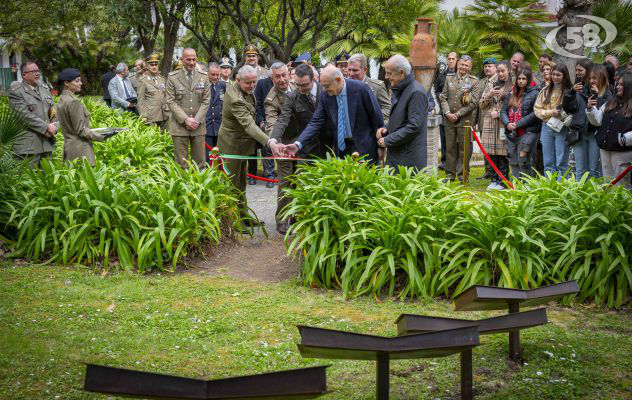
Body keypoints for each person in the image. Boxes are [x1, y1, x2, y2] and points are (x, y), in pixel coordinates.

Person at [276, 65, 384, 161]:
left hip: (364, 147)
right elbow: (315, 121)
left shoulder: (361, 89)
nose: (324, 89)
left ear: (338, 80)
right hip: (341, 150)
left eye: (327, 86)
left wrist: (380, 146)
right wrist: (297, 144)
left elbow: (376, 118)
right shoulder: (326, 95)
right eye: (322, 85)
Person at [268, 64, 327, 234]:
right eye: (298, 85)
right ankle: (289, 219)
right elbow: (282, 120)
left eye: (304, 85)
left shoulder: (326, 91)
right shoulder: (293, 96)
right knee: (301, 184)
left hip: (327, 146)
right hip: (305, 146)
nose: (300, 88)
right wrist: (273, 139)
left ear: (313, 79)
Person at [217, 65, 270, 222]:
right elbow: (248, 124)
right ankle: (231, 221)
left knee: (241, 184)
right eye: (249, 83)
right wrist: (268, 141)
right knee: (230, 184)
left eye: (254, 82)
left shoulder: (243, 90)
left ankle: (243, 216)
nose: (252, 86)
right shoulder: (235, 98)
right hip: (231, 145)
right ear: (238, 79)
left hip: (241, 144)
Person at [375, 54, 428, 171]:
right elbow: (400, 120)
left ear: (402, 73)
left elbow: (414, 127)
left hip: (408, 160)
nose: (386, 77)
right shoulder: (401, 89)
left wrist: (387, 140)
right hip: (398, 156)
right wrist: (386, 129)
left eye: (389, 73)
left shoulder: (416, 92)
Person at [165, 48, 211, 169]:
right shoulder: (173, 77)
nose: (191, 62)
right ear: (181, 60)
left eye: (194, 59)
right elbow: (170, 101)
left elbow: (206, 101)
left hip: (198, 125)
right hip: (179, 126)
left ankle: (199, 187)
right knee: (181, 164)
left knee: (200, 164)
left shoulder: (204, 77)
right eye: (188, 59)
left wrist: (196, 120)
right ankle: (183, 186)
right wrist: (186, 119)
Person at [586, 71, 632, 190]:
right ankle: (610, 208)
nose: (617, 86)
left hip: (623, 152)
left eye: (622, 84)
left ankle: (622, 208)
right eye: (617, 84)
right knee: (608, 182)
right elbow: (597, 121)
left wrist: (624, 139)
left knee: (621, 186)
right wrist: (590, 109)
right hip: (605, 150)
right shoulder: (611, 102)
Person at [8, 61, 57, 167]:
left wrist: (54, 127)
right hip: (28, 147)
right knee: (28, 180)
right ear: (24, 75)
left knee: (47, 179)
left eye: (38, 71)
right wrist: (46, 128)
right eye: (33, 71)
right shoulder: (16, 92)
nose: (37, 74)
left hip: (47, 143)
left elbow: (53, 111)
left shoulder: (45, 90)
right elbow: (24, 115)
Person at [439, 55, 480, 182]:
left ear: (470, 67)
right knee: (450, 148)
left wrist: (457, 114)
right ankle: (450, 175)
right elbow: (443, 97)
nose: (463, 67)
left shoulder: (474, 81)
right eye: (462, 64)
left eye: (466, 65)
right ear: (457, 64)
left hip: (464, 121)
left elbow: (474, 102)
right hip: (448, 119)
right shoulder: (449, 78)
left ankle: (463, 175)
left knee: (464, 149)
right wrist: (446, 112)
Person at [562, 58, 602, 180]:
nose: (577, 73)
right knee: (580, 170)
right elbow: (569, 108)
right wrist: (571, 93)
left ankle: (594, 198)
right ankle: (580, 198)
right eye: (576, 70)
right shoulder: (576, 89)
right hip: (579, 133)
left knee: (593, 170)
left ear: (589, 71)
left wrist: (596, 94)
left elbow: (602, 109)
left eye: (580, 70)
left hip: (594, 133)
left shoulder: (600, 88)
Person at [56, 68, 106, 165]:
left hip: (70, 149)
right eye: (77, 81)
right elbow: (81, 130)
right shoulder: (73, 102)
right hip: (81, 151)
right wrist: (102, 136)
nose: (81, 83)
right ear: (66, 83)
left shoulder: (63, 99)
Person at [501, 69, 541, 180]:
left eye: (524, 79)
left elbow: (535, 113)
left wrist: (518, 124)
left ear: (528, 80)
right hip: (512, 132)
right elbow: (503, 111)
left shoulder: (535, 93)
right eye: (519, 78)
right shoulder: (511, 93)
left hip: (528, 131)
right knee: (513, 161)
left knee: (524, 160)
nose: (521, 81)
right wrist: (507, 123)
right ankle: (517, 187)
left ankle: (528, 187)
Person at [479, 61, 513, 189]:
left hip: (503, 123)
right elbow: (481, 104)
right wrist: (490, 94)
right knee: (491, 153)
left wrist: (498, 113)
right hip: (490, 123)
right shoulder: (491, 84)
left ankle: (503, 181)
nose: (500, 74)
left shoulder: (512, 85)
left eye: (502, 71)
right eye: (498, 71)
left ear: (508, 70)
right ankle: (494, 179)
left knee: (502, 153)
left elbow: (514, 105)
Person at [535, 64, 572, 177]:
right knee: (548, 161)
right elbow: (537, 110)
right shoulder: (545, 91)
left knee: (561, 161)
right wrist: (551, 112)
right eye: (553, 74)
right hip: (546, 127)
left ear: (564, 76)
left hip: (563, 127)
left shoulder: (570, 91)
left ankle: (562, 187)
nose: (555, 77)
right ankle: (549, 187)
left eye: (558, 75)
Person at [347, 53, 391, 124]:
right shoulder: (344, 86)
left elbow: (388, 109)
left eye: (355, 70)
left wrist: (371, 117)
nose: (351, 74)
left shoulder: (377, 87)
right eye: (349, 70)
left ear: (365, 70)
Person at [435, 51, 458, 171]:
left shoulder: (460, 74)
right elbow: (437, 91)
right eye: (449, 59)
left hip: (458, 112)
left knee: (456, 139)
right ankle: (444, 161)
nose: (450, 61)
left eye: (453, 59)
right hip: (444, 111)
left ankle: (457, 162)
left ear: (457, 60)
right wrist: (444, 103)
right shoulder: (442, 75)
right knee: (444, 138)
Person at [476, 57, 498, 180]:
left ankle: (495, 172)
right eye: (485, 66)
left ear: (495, 67)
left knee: (493, 147)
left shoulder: (498, 81)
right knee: (485, 146)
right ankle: (488, 170)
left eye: (490, 66)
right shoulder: (482, 82)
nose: (487, 68)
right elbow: (478, 104)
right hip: (482, 119)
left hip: (494, 119)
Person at [252, 74, 275, 186]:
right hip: (266, 121)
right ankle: (269, 175)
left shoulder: (285, 82)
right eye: (276, 75)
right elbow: (258, 104)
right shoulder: (262, 83)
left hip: (282, 120)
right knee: (267, 148)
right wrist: (260, 120)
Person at [137, 53, 169, 129]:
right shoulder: (143, 81)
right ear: (147, 66)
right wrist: (143, 115)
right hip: (151, 117)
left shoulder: (162, 79)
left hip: (164, 115)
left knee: (166, 138)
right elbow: (141, 100)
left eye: (156, 64)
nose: (154, 67)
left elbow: (166, 95)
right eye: (151, 65)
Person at [204, 62, 226, 160]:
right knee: (207, 155)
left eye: (218, 75)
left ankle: (219, 173)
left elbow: (223, 103)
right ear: (207, 73)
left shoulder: (222, 85)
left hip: (219, 125)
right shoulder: (202, 85)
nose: (216, 77)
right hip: (206, 124)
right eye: (213, 75)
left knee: (219, 154)